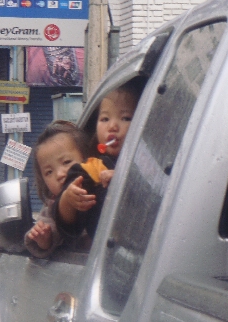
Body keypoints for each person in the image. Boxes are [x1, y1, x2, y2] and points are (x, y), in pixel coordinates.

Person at [54, 78, 145, 240]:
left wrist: (125, 179)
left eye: (125, 118)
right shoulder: (90, 169)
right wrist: (68, 199)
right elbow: (67, 225)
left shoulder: (153, 164)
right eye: (105, 119)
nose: (113, 126)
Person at [24, 120, 90, 258]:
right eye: (49, 172)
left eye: (66, 162)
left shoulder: (105, 186)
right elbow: (48, 232)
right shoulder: (51, 207)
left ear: (87, 158)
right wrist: (43, 239)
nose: (60, 174)